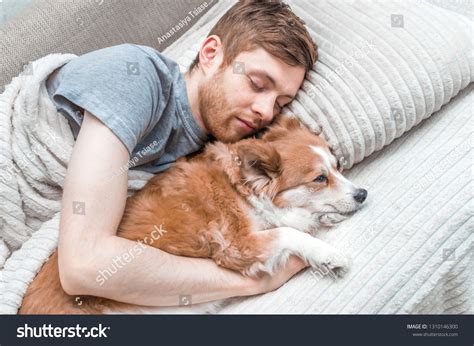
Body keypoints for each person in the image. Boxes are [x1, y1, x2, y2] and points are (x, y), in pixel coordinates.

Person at [49, 0, 318, 307]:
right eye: (257, 84)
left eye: (281, 103)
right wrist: (251, 280)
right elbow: (84, 265)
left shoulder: (213, 157)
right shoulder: (135, 76)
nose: (266, 111)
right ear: (210, 54)